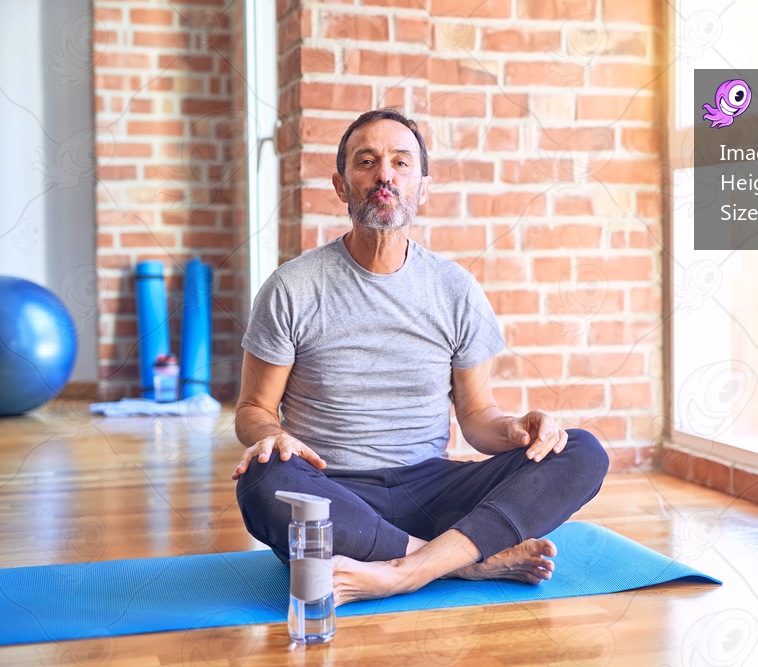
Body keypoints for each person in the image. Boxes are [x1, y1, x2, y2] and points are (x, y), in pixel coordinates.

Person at [232, 107, 609, 605]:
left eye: (400, 162)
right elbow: (252, 410)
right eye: (366, 161)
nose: (384, 173)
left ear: (422, 189)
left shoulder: (455, 289)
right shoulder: (292, 287)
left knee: (580, 451)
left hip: (431, 490)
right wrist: (272, 437)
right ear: (342, 186)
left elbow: (477, 418)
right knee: (263, 480)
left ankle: (407, 569)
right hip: (333, 489)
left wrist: (519, 428)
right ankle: (467, 563)